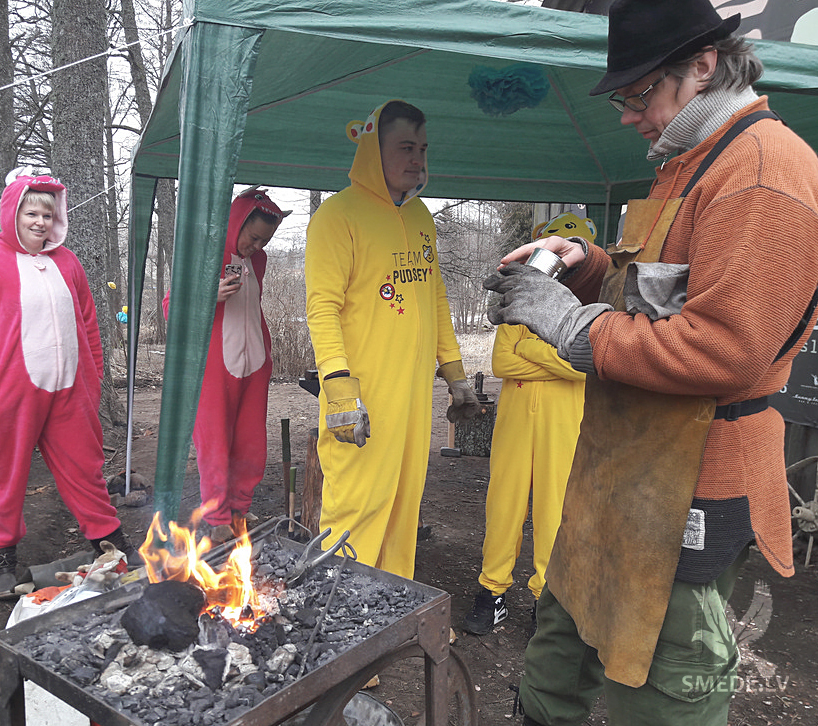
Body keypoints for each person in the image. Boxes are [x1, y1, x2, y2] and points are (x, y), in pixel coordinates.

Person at [483, 1, 818, 724]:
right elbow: (661, 297)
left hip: (696, 478)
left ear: (703, 64)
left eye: (640, 94)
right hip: (625, 469)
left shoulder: (762, 171)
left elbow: (725, 349)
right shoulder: (689, 160)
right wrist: (584, 268)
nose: (628, 114)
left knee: (667, 686)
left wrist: (570, 325)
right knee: (560, 651)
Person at [305, 100, 481, 579]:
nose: (417, 159)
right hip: (362, 398)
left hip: (412, 399)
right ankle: (335, 612)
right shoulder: (338, 216)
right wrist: (339, 390)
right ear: (371, 151)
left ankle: (388, 605)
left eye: (422, 148)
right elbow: (322, 307)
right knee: (356, 506)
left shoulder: (421, 216)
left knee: (405, 501)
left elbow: (435, 297)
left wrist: (456, 374)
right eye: (405, 147)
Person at [0, 170, 142, 600]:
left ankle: (109, 543)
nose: (39, 221)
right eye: (30, 212)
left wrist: (92, 382)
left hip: (70, 392)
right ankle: (0, 559)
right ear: (13, 212)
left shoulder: (68, 262)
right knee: (6, 476)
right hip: (11, 396)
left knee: (85, 470)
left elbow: (90, 324)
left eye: (47, 213)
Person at [463, 214, 591, 636]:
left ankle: (546, 597)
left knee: (555, 510)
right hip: (516, 425)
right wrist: (557, 354)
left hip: (563, 425)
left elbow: (586, 369)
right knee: (504, 505)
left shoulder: (588, 311)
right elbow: (502, 362)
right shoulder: (518, 305)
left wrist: (532, 354)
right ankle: (492, 591)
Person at [162, 187, 288, 543]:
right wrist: (207, 296)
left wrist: (265, 352)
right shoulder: (205, 252)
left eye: (265, 241)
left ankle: (239, 510)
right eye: (253, 237)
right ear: (236, 222)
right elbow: (172, 309)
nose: (257, 246)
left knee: (250, 443)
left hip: (254, 364)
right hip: (214, 367)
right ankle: (217, 518)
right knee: (215, 441)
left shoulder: (257, 261)